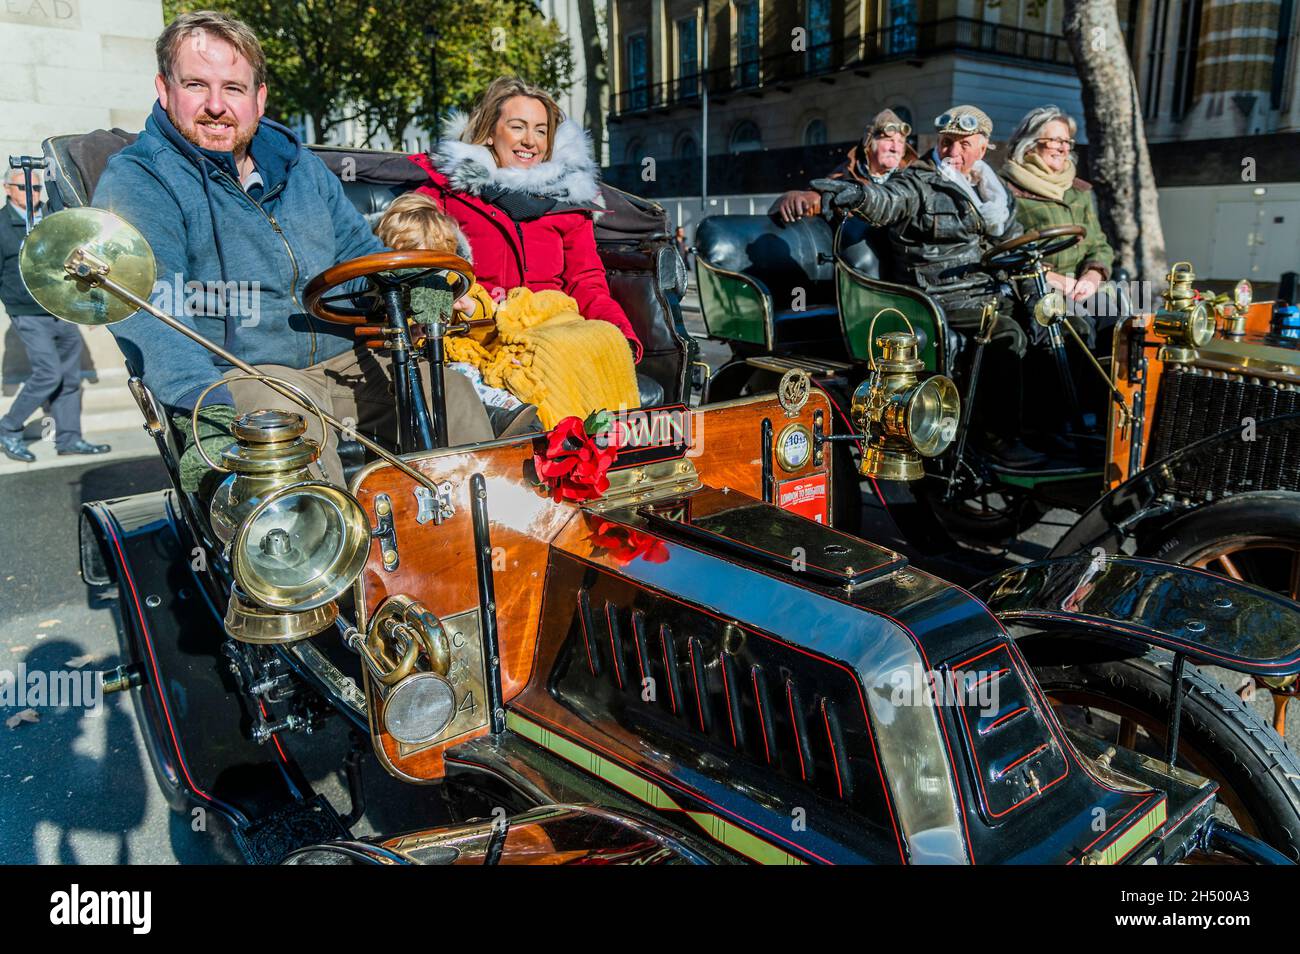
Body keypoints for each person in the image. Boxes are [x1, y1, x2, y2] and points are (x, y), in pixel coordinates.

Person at [92, 11, 492, 491]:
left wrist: (422, 291)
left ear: (259, 99)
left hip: (345, 360)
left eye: (234, 89)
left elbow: (360, 255)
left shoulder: (300, 168)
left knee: (451, 392)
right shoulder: (141, 179)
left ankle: (478, 545)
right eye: (196, 85)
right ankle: (334, 562)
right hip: (242, 373)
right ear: (164, 88)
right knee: (284, 434)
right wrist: (202, 412)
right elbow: (153, 310)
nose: (216, 105)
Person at [815, 106, 1045, 467]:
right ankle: (997, 438)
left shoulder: (994, 192)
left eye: (963, 144)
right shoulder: (919, 181)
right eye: (946, 142)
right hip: (938, 296)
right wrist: (859, 197)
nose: (953, 151)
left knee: (1057, 326)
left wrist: (1037, 298)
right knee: (1006, 335)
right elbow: (889, 200)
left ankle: (1049, 427)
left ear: (982, 149)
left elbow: (1018, 244)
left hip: (989, 291)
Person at [408, 76, 643, 363]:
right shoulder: (446, 194)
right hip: (476, 332)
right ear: (490, 133)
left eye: (541, 131)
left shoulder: (568, 204)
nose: (530, 141)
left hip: (553, 335)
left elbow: (586, 281)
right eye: (517, 127)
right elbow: (411, 254)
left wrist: (617, 334)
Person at [1, 167, 110, 462]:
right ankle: (9, 428)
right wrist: (14, 305)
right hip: (28, 314)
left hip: (61, 310)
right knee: (48, 373)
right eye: (24, 187)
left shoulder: (50, 221)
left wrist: (88, 305)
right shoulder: (1, 225)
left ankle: (69, 439)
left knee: (71, 377)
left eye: (36, 189)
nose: (32, 193)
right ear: (7, 188)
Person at [1002, 106, 1118, 342]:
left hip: (1081, 286)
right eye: (1056, 141)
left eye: (1067, 142)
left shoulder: (1078, 191)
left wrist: (1093, 275)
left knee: (1119, 325)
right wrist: (1055, 280)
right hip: (1034, 287)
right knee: (1079, 329)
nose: (1064, 148)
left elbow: (1099, 245)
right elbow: (1004, 250)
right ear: (1031, 143)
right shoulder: (1006, 189)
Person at [772, 109, 917, 223]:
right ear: (869, 144)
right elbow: (819, 197)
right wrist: (797, 199)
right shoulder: (845, 176)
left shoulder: (914, 181)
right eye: (889, 140)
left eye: (900, 142)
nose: (895, 148)